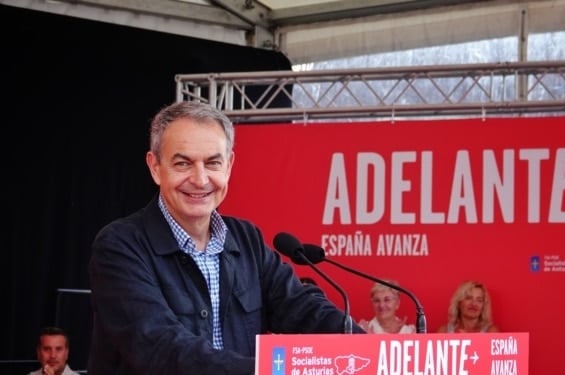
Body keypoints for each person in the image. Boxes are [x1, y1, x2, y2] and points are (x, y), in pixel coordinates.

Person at [88, 101, 364, 375]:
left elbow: (302, 307)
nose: (200, 179)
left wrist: (373, 352)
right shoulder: (119, 246)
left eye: (212, 163)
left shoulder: (246, 240)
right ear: (155, 167)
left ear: (229, 165)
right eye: (183, 163)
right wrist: (268, 371)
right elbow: (159, 348)